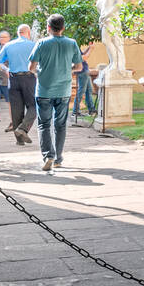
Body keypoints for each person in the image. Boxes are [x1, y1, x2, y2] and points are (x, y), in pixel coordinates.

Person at [29, 14, 82, 171]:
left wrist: (39, 72)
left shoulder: (41, 43)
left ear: (48, 28)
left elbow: (30, 67)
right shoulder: (72, 43)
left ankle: (48, 155)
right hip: (63, 90)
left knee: (44, 124)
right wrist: (68, 69)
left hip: (44, 90)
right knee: (60, 125)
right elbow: (79, 67)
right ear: (63, 28)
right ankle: (58, 159)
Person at [0, 23, 37, 145]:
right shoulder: (33, 45)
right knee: (33, 106)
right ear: (28, 33)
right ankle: (22, 128)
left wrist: (6, 70)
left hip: (13, 78)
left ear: (18, 33)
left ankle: (19, 140)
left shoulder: (8, 45)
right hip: (29, 77)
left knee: (16, 109)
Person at [72, 45, 97, 118]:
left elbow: (82, 54)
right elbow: (84, 58)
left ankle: (91, 110)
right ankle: (75, 111)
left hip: (85, 71)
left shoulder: (76, 46)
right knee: (81, 91)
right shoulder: (73, 47)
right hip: (82, 72)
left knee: (88, 91)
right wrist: (91, 49)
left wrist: (89, 47)